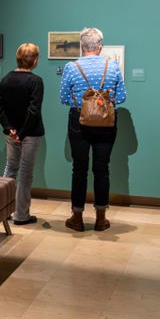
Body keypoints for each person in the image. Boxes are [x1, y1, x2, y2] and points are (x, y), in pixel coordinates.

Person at [59, 27, 127, 232]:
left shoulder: (71, 67)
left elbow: (63, 98)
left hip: (78, 120)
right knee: (102, 168)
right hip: (106, 122)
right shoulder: (112, 65)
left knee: (79, 169)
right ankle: (100, 218)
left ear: (82, 46)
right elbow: (121, 97)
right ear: (99, 47)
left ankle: (77, 218)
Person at [0, 43, 44, 225]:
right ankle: (21, 215)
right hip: (29, 133)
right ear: (35, 60)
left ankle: (3, 211)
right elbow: (33, 110)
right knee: (25, 172)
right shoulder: (35, 81)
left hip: (12, 133)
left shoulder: (6, 79)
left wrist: (9, 128)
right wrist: (21, 133)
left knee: (10, 168)